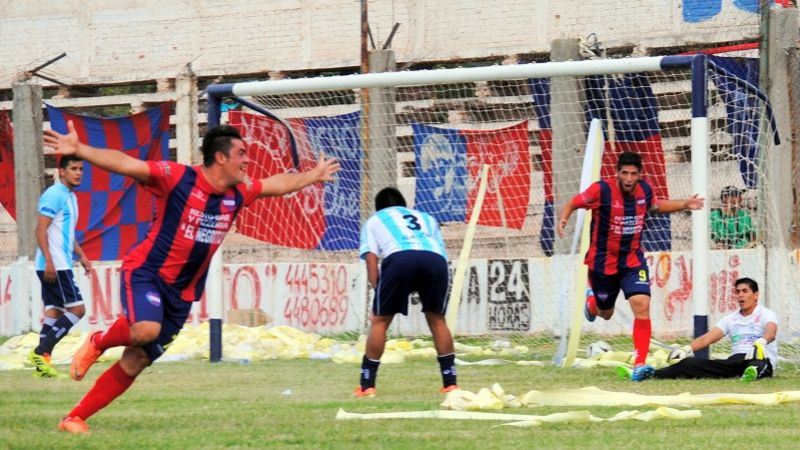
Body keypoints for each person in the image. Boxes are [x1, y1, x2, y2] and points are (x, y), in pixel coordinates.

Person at [43, 122, 340, 433]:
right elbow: (127, 164)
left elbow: (276, 185)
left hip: (182, 294)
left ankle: (73, 418)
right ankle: (99, 341)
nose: (247, 161)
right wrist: (81, 151)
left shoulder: (238, 193)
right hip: (147, 273)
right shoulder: (178, 178)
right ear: (221, 158)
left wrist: (313, 176)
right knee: (145, 329)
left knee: (136, 361)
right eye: (241, 153)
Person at [556, 151, 704, 381]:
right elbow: (573, 203)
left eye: (633, 174)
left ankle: (640, 363)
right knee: (605, 313)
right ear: (617, 173)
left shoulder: (645, 190)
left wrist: (685, 203)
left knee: (641, 303)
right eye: (624, 173)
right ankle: (592, 301)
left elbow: (656, 206)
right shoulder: (601, 190)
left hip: (633, 260)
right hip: (602, 263)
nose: (628, 178)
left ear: (639, 175)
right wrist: (564, 218)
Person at [354, 187, 457, 397]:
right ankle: (450, 382)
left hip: (400, 258)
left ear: (379, 207)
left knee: (380, 321)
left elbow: (372, 257)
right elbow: (440, 251)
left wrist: (378, 292)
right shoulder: (427, 218)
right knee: (438, 320)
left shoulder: (375, 220)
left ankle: (367, 385)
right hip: (435, 260)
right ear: (403, 204)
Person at [616, 277, 777, 382]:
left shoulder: (765, 313)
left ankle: (753, 372)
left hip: (759, 357)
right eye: (737, 292)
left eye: (745, 291)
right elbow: (707, 338)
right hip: (735, 361)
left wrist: (761, 342)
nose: (740, 296)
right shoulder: (731, 319)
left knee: (758, 363)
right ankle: (649, 375)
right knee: (688, 364)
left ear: (756, 295)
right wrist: (687, 349)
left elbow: (771, 330)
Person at [28, 155, 92, 378]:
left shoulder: (70, 196)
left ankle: (42, 366)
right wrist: (50, 262)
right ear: (61, 171)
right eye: (73, 168)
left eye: (81, 169)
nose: (78, 173)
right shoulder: (55, 194)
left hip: (57, 263)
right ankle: (41, 351)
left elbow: (67, 234)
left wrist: (82, 256)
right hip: (55, 265)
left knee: (54, 312)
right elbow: (40, 229)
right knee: (78, 310)